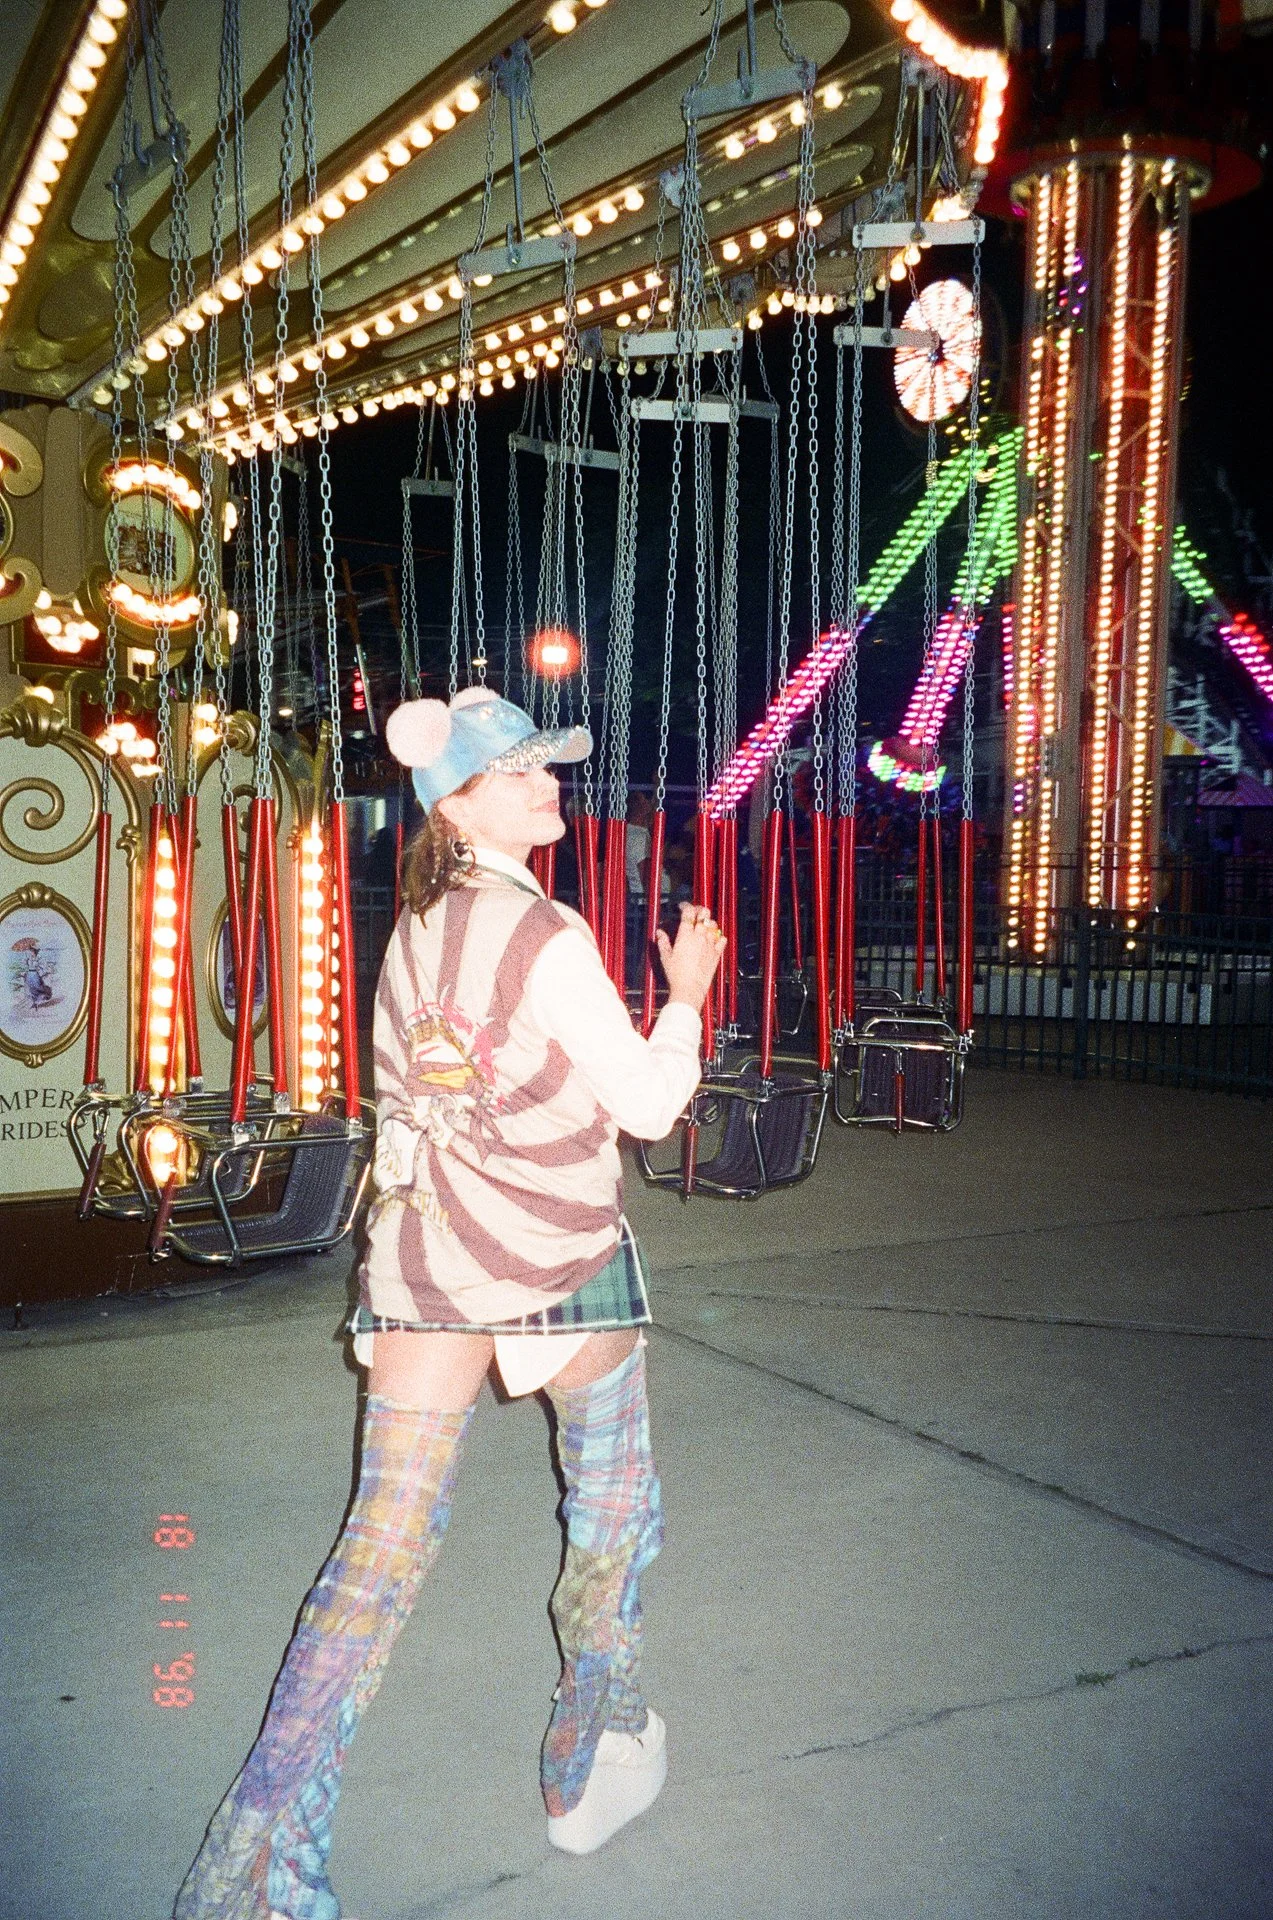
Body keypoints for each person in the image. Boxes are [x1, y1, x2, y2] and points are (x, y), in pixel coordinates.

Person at [174, 685, 724, 1920]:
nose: (547, 785)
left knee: (373, 1563)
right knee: (613, 1514)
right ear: (457, 805)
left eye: (546, 764)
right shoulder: (548, 933)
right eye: (519, 771)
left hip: (428, 1258)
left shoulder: (417, 926)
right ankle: (587, 1760)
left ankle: (253, 1872)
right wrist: (686, 993)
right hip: (560, 1256)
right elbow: (646, 1105)